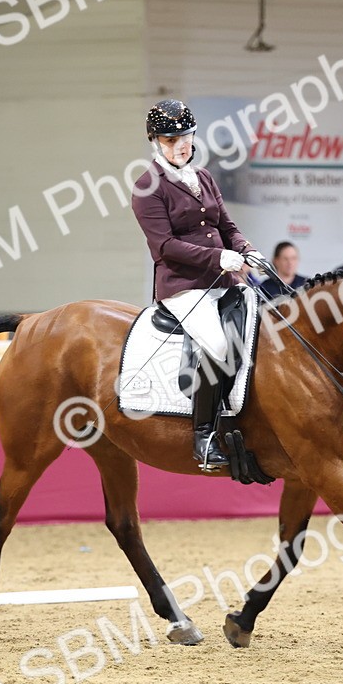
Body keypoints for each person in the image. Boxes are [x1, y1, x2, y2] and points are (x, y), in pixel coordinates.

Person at [131, 99, 265, 470]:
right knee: (218, 342)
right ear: (156, 142)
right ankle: (204, 437)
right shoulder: (147, 188)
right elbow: (165, 246)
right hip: (183, 287)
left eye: (186, 136)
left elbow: (226, 226)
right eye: (172, 139)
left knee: (262, 325)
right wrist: (218, 258)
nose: (181, 145)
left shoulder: (203, 176)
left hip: (224, 280)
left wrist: (245, 249)